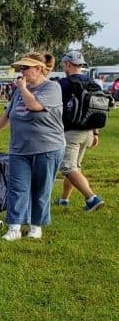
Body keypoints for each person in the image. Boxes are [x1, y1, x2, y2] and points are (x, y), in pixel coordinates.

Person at [0, 52, 66, 241]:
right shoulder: (19, 91)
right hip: (19, 148)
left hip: (47, 148)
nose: (22, 72)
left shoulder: (52, 87)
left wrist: (22, 88)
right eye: (21, 68)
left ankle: (35, 225)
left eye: (25, 68)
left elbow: (34, 106)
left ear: (38, 69)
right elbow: (8, 112)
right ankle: (14, 227)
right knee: (17, 187)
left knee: (41, 189)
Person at [54, 51, 104, 211]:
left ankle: (92, 198)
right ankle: (64, 199)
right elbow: (95, 108)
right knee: (75, 166)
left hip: (71, 132)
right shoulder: (93, 83)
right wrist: (95, 132)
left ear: (68, 64)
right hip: (88, 131)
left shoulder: (64, 84)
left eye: (63, 64)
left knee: (68, 168)